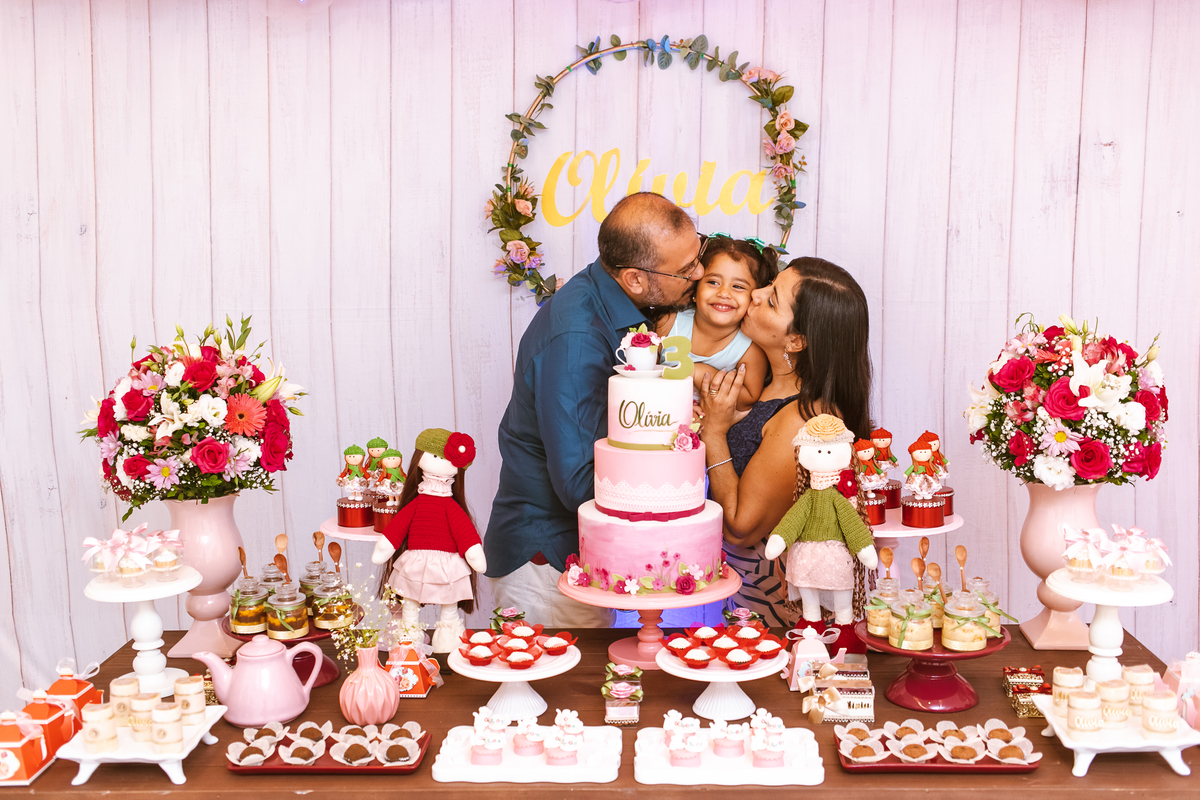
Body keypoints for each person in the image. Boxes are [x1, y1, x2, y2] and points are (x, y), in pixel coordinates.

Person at [484, 192, 704, 626]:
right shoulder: (578, 338)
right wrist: (673, 485)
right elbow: (579, 482)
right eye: (685, 270)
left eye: (699, 257)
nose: (698, 274)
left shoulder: (616, 304)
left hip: (574, 554)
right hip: (546, 566)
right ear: (634, 279)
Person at [697, 257, 873, 628]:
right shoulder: (764, 384)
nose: (755, 294)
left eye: (772, 300)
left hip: (772, 612)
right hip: (732, 591)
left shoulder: (804, 420)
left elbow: (740, 528)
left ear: (796, 340)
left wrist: (713, 432)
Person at [654, 235, 775, 411]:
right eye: (713, 282)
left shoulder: (749, 347)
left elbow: (748, 399)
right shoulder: (669, 323)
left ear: (755, 297)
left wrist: (700, 372)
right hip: (656, 414)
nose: (724, 293)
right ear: (695, 289)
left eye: (738, 286)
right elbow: (641, 372)